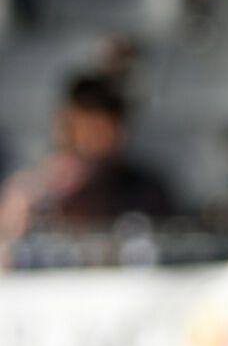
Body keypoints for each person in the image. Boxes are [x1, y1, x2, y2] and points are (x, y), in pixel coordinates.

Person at [0, 71, 176, 245]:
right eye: (82, 129)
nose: (90, 141)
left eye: (99, 130)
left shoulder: (148, 192)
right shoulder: (37, 190)